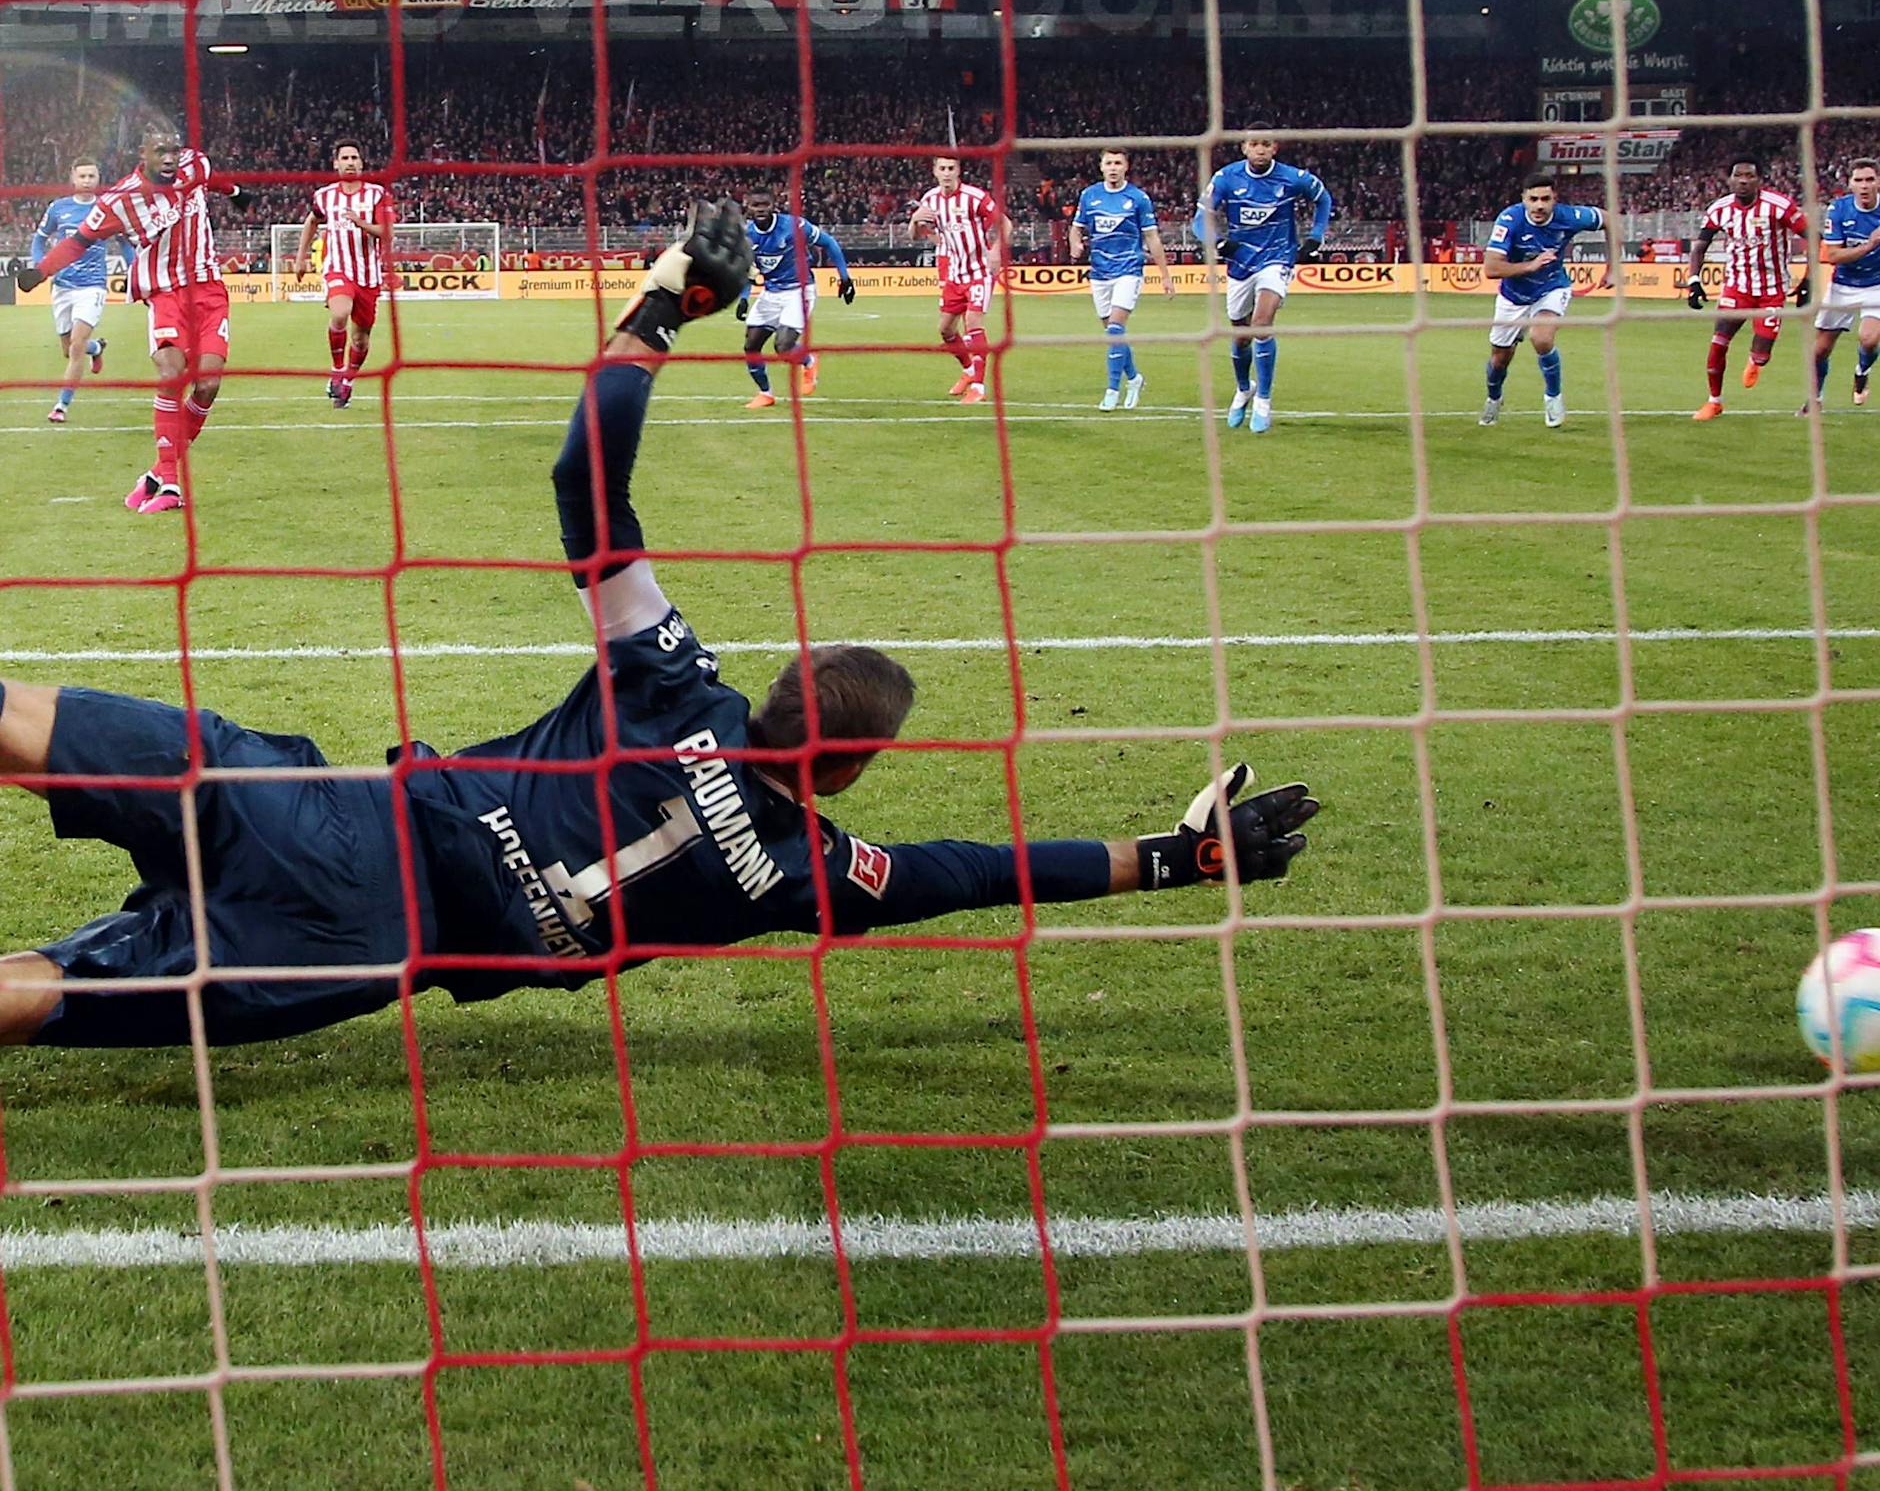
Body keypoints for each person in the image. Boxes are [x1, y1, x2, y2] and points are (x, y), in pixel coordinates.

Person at [0, 204, 1318, 1048]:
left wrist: (662, 308)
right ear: (849, 770)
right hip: (363, 950)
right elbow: (972, 870)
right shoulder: (808, 875)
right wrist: (1173, 859)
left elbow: (584, 480)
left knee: (33, 725)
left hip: (331, 811)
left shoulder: (673, 684)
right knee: (48, 991)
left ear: (782, 684)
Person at [16, 124, 245, 513]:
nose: (171, 157)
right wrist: (42, 270)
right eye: (161, 151)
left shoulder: (195, 165)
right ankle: (171, 484)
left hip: (208, 289)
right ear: (144, 154)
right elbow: (81, 239)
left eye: (174, 149)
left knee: (207, 384)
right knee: (172, 372)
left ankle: (158, 471)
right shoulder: (121, 200)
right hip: (165, 292)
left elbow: (213, 179)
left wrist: (237, 194)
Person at [1203, 129, 1332, 435]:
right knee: (1240, 335)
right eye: (1253, 144)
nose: (1259, 150)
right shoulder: (1225, 178)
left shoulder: (1293, 178)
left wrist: (1315, 237)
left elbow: (1323, 199)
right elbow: (1201, 218)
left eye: (1265, 144)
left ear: (1274, 147)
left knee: (1261, 323)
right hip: (1240, 263)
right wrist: (1217, 242)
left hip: (1277, 258)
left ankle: (1264, 399)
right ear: (1244, 147)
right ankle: (1243, 388)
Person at [1479, 172, 1608, 430]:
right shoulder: (1510, 219)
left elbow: (1611, 220)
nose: (1539, 205)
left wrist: (1613, 267)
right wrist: (1531, 266)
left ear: (1554, 199)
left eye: (1545, 199)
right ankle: (1494, 399)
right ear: (1523, 199)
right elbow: (1491, 268)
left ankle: (1553, 397)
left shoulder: (1569, 216)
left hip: (1551, 287)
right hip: (1513, 296)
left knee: (1542, 337)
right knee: (1499, 359)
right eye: (1533, 199)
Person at [1686, 158, 1810, 422]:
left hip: (1772, 289)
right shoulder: (1719, 209)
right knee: (1718, 342)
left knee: (1762, 354)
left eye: (1749, 175)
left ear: (1759, 180)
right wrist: (1694, 280)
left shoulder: (1779, 206)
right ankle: (1714, 401)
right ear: (1730, 179)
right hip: (1736, 287)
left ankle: (1756, 360)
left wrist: (1809, 279)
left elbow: (1813, 237)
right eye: (1738, 175)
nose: (1743, 180)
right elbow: (1699, 246)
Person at [289, 140, 395, 411]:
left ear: (361, 163)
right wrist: (300, 258)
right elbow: (312, 221)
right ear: (335, 163)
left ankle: (348, 379)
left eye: (354, 157)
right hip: (338, 267)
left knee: (361, 337)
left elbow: (387, 233)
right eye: (344, 157)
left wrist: (359, 222)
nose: (349, 162)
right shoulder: (324, 196)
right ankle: (337, 371)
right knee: (339, 312)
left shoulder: (377, 195)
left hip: (368, 275)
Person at [1069, 148, 1175, 410]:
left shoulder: (1138, 198)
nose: (1113, 167)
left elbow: (1152, 238)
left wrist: (1165, 275)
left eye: (1118, 163)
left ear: (1126, 167)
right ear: (1101, 167)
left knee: (1116, 328)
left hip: (1128, 269)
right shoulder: (1090, 195)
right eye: (1108, 163)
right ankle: (1135, 378)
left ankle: (1112, 389)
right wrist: (1075, 244)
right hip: (1100, 272)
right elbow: (1076, 228)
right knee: (1112, 334)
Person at [735, 183, 854, 410]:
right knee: (751, 345)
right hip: (771, 293)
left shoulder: (793, 226)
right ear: (747, 206)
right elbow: (746, 270)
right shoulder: (746, 235)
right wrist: (743, 297)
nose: (760, 209)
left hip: (799, 291)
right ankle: (765, 394)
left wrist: (844, 277)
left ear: (774, 205)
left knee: (783, 346)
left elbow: (829, 242)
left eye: (765, 204)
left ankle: (809, 361)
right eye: (755, 205)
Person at [910, 156, 1011, 405]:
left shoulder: (974, 197)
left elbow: (1005, 224)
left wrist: (997, 249)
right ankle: (968, 371)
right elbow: (915, 236)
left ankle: (978, 385)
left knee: (973, 320)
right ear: (934, 171)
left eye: (951, 168)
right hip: (955, 274)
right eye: (942, 168)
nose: (947, 173)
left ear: (958, 171)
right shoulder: (930, 200)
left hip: (979, 271)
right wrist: (915, 219)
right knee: (945, 329)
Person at [26, 158, 113, 424]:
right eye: (82, 176)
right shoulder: (58, 208)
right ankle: (96, 348)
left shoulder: (107, 208)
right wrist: (40, 266)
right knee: (68, 348)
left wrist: (134, 267)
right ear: (73, 179)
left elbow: (125, 240)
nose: (87, 181)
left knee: (75, 347)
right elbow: (39, 238)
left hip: (92, 286)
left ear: (98, 179)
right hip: (62, 286)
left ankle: (61, 406)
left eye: (92, 176)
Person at [1805, 158, 1880, 414]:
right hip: (1843, 284)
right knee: (1820, 349)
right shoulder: (1839, 209)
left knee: (1869, 339)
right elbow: (1833, 256)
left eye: (1870, 179)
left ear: (1878, 182)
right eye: (1859, 180)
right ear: (1850, 183)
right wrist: (1868, 246)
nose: (1864, 186)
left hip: (1877, 284)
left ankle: (1862, 372)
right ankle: (1814, 399)